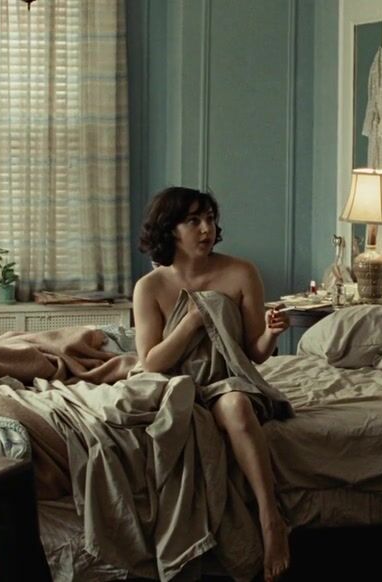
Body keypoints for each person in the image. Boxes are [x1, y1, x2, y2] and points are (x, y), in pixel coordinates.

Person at [133, 186, 293, 581]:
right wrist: (192, 322)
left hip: (227, 381)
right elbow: (150, 362)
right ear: (171, 230)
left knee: (237, 404)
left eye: (209, 219)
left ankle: (270, 519)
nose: (207, 229)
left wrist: (272, 333)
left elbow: (254, 354)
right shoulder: (150, 287)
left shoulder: (241, 273)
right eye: (194, 221)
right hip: (175, 385)